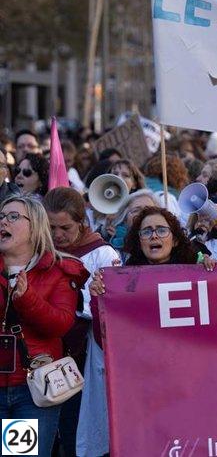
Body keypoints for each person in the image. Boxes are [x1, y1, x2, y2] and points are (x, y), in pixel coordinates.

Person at [0, 195, 88, 453]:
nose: (3, 222)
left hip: (31, 390)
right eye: (1, 216)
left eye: (13, 216)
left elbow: (60, 324)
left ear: (35, 227)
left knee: (20, 454)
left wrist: (27, 299)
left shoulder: (57, 270)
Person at [43, 188, 119, 457]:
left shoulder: (102, 254)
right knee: (26, 441)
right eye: (51, 227)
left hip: (77, 361)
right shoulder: (31, 250)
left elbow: (110, 308)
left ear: (81, 222)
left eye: (65, 227)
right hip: (31, 361)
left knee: (72, 434)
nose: (57, 235)